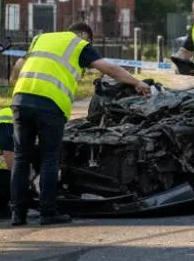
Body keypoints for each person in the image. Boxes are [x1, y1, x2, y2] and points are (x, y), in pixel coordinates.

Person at [9, 20, 152, 225]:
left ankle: (17, 214)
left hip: (20, 101)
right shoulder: (79, 45)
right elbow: (109, 68)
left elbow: (18, 65)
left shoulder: (41, 39)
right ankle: (48, 213)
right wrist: (136, 82)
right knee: (50, 158)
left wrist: (15, 88)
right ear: (85, 38)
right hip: (50, 105)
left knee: (21, 157)